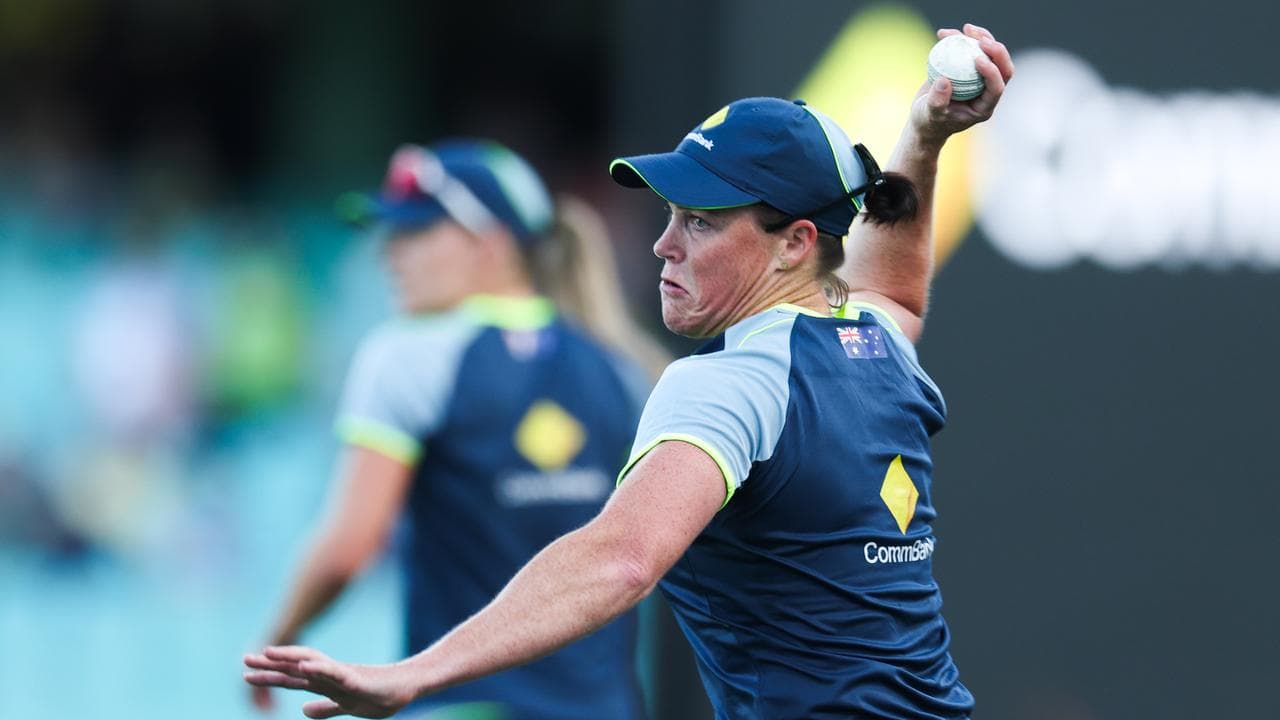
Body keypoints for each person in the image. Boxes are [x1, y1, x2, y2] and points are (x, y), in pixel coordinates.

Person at [245, 23, 1014, 720]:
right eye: (672, 214)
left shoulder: (729, 383)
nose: (663, 245)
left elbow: (620, 559)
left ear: (794, 243)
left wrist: (415, 674)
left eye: (701, 222)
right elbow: (893, 290)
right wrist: (925, 136)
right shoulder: (877, 345)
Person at [249, 138, 667, 720]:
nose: (389, 252)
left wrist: (279, 636)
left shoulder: (407, 355)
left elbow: (348, 549)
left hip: (462, 706)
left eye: (417, 230)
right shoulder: (620, 366)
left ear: (489, 242)